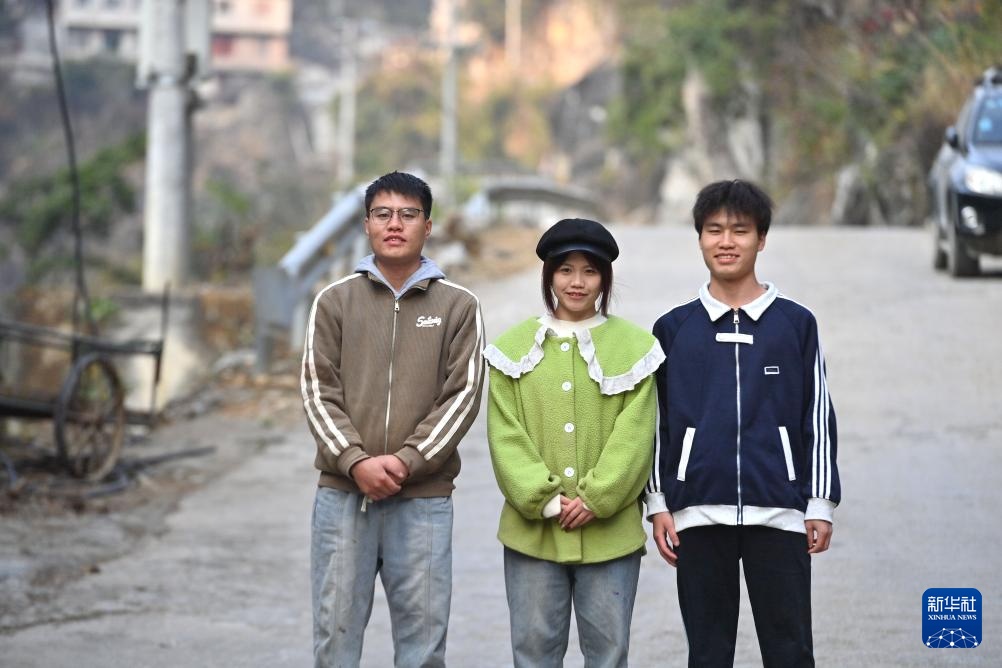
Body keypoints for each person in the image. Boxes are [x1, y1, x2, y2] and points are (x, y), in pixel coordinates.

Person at [645, 179, 841, 667]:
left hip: (780, 512)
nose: (726, 241)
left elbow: (816, 413)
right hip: (697, 514)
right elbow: (656, 421)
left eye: (740, 230)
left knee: (790, 651)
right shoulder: (673, 328)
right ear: (699, 239)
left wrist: (819, 502)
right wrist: (658, 502)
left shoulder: (795, 323)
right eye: (714, 230)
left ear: (762, 238)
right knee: (708, 653)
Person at [302, 171, 484, 667]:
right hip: (343, 497)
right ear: (366, 225)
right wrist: (355, 461)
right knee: (335, 642)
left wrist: (406, 461)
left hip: (423, 501)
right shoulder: (335, 301)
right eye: (383, 214)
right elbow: (317, 391)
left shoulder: (458, 306)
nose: (395, 224)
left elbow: (463, 396)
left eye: (408, 214)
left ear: (429, 226)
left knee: (423, 649)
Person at [484, 218, 664, 668]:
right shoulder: (512, 348)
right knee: (533, 654)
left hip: (611, 535)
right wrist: (544, 499)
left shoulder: (635, 347)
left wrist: (597, 497)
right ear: (549, 275)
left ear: (605, 277)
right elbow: (505, 435)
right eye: (565, 270)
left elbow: (636, 435)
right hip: (531, 536)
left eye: (590, 271)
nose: (577, 282)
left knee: (608, 654)